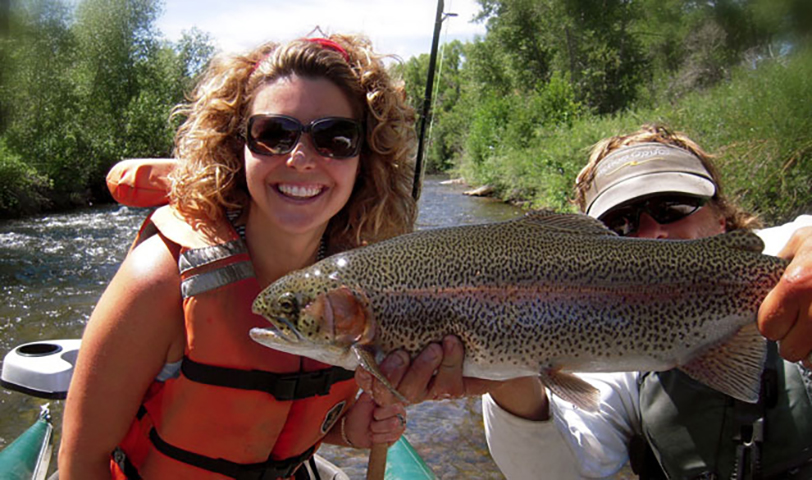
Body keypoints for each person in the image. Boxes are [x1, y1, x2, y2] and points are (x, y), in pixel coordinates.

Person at [60, 34, 427, 479]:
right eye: (274, 134)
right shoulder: (159, 280)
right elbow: (82, 461)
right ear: (239, 148)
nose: (301, 158)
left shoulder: (359, 292)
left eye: (334, 138)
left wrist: (353, 428)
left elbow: (291, 417)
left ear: (364, 159)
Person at [482, 124, 812, 479]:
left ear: (721, 217)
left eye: (673, 206)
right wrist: (504, 373)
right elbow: (557, 472)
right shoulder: (598, 347)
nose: (654, 233)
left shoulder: (787, 255)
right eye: (621, 225)